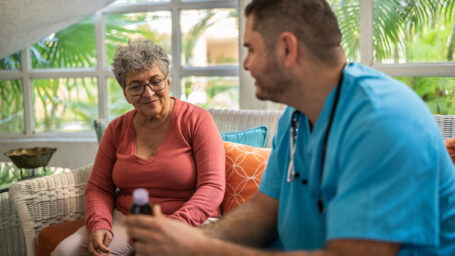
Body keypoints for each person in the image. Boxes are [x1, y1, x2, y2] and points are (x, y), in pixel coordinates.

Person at [125, 0, 455, 255]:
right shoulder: (295, 116)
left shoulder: (382, 123)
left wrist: (201, 248)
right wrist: (187, 239)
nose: (245, 63)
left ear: (287, 48)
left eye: (251, 48)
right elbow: (263, 212)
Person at [51, 39, 226, 256]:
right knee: (65, 252)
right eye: (136, 86)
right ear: (125, 94)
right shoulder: (116, 129)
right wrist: (100, 224)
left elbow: (213, 186)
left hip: (188, 220)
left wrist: (173, 225)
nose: (148, 93)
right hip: (126, 219)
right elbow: (98, 187)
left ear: (168, 82)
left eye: (155, 81)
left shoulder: (197, 120)